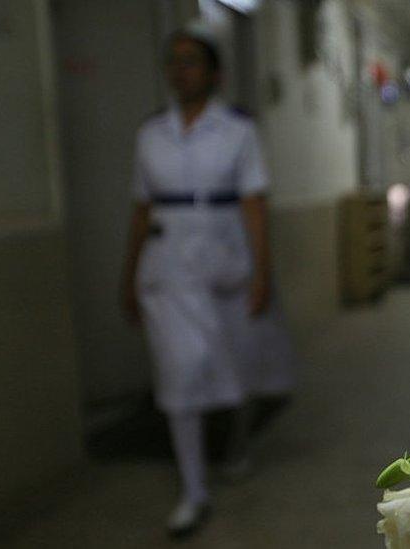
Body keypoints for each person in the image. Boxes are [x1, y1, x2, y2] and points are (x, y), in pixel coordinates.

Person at [121, 28, 296, 538]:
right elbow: (139, 209)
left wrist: (263, 273)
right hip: (168, 268)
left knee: (237, 364)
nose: (180, 70)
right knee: (182, 374)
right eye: (172, 61)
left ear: (214, 73)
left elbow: (255, 205)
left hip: (226, 263)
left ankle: (237, 442)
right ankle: (193, 490)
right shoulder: (150, 134)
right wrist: (127, 275)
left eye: (191, 61)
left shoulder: (237, 131)